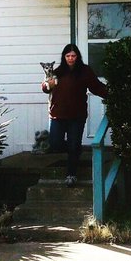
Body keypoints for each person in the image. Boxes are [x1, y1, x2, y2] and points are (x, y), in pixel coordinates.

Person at [41, 43, 108, 186]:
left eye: (73, 56)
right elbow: (46, 86)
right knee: (55, 143)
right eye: (68, 56)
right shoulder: (58, 71)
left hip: (77, 116)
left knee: (73, 144)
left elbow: (96, 87)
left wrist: (111, 94)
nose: (71, 58)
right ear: (64, 57)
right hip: (58, 115)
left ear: (77, 57)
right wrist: (48, 86)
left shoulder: (84, 71)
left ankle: (71, 175)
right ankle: (76, 149)